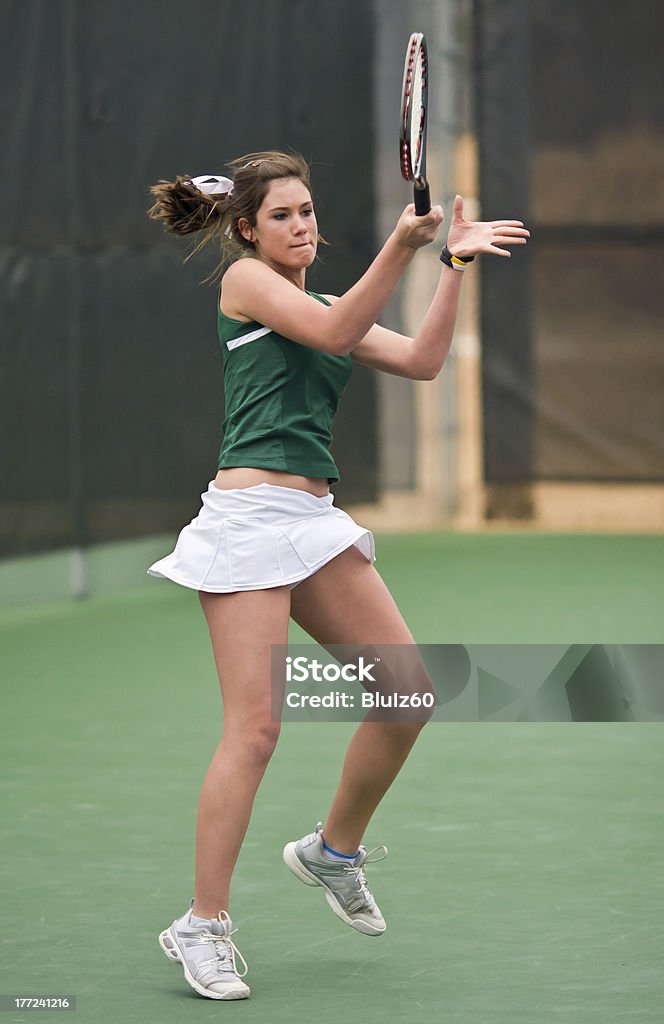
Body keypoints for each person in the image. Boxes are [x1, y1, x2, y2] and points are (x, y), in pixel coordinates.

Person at [146, 151, 529, 1001]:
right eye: (283, 215)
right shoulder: (247, 284)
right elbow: (328, 335)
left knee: (406, 697)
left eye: (309, 211)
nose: (303, 226)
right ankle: (201, 926)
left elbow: (425, 361)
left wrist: (452, 265)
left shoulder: (324, 300)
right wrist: (400, 244)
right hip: (247, 524)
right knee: (255, 733)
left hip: (313, 525)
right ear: (247, 230)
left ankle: (331, 852)